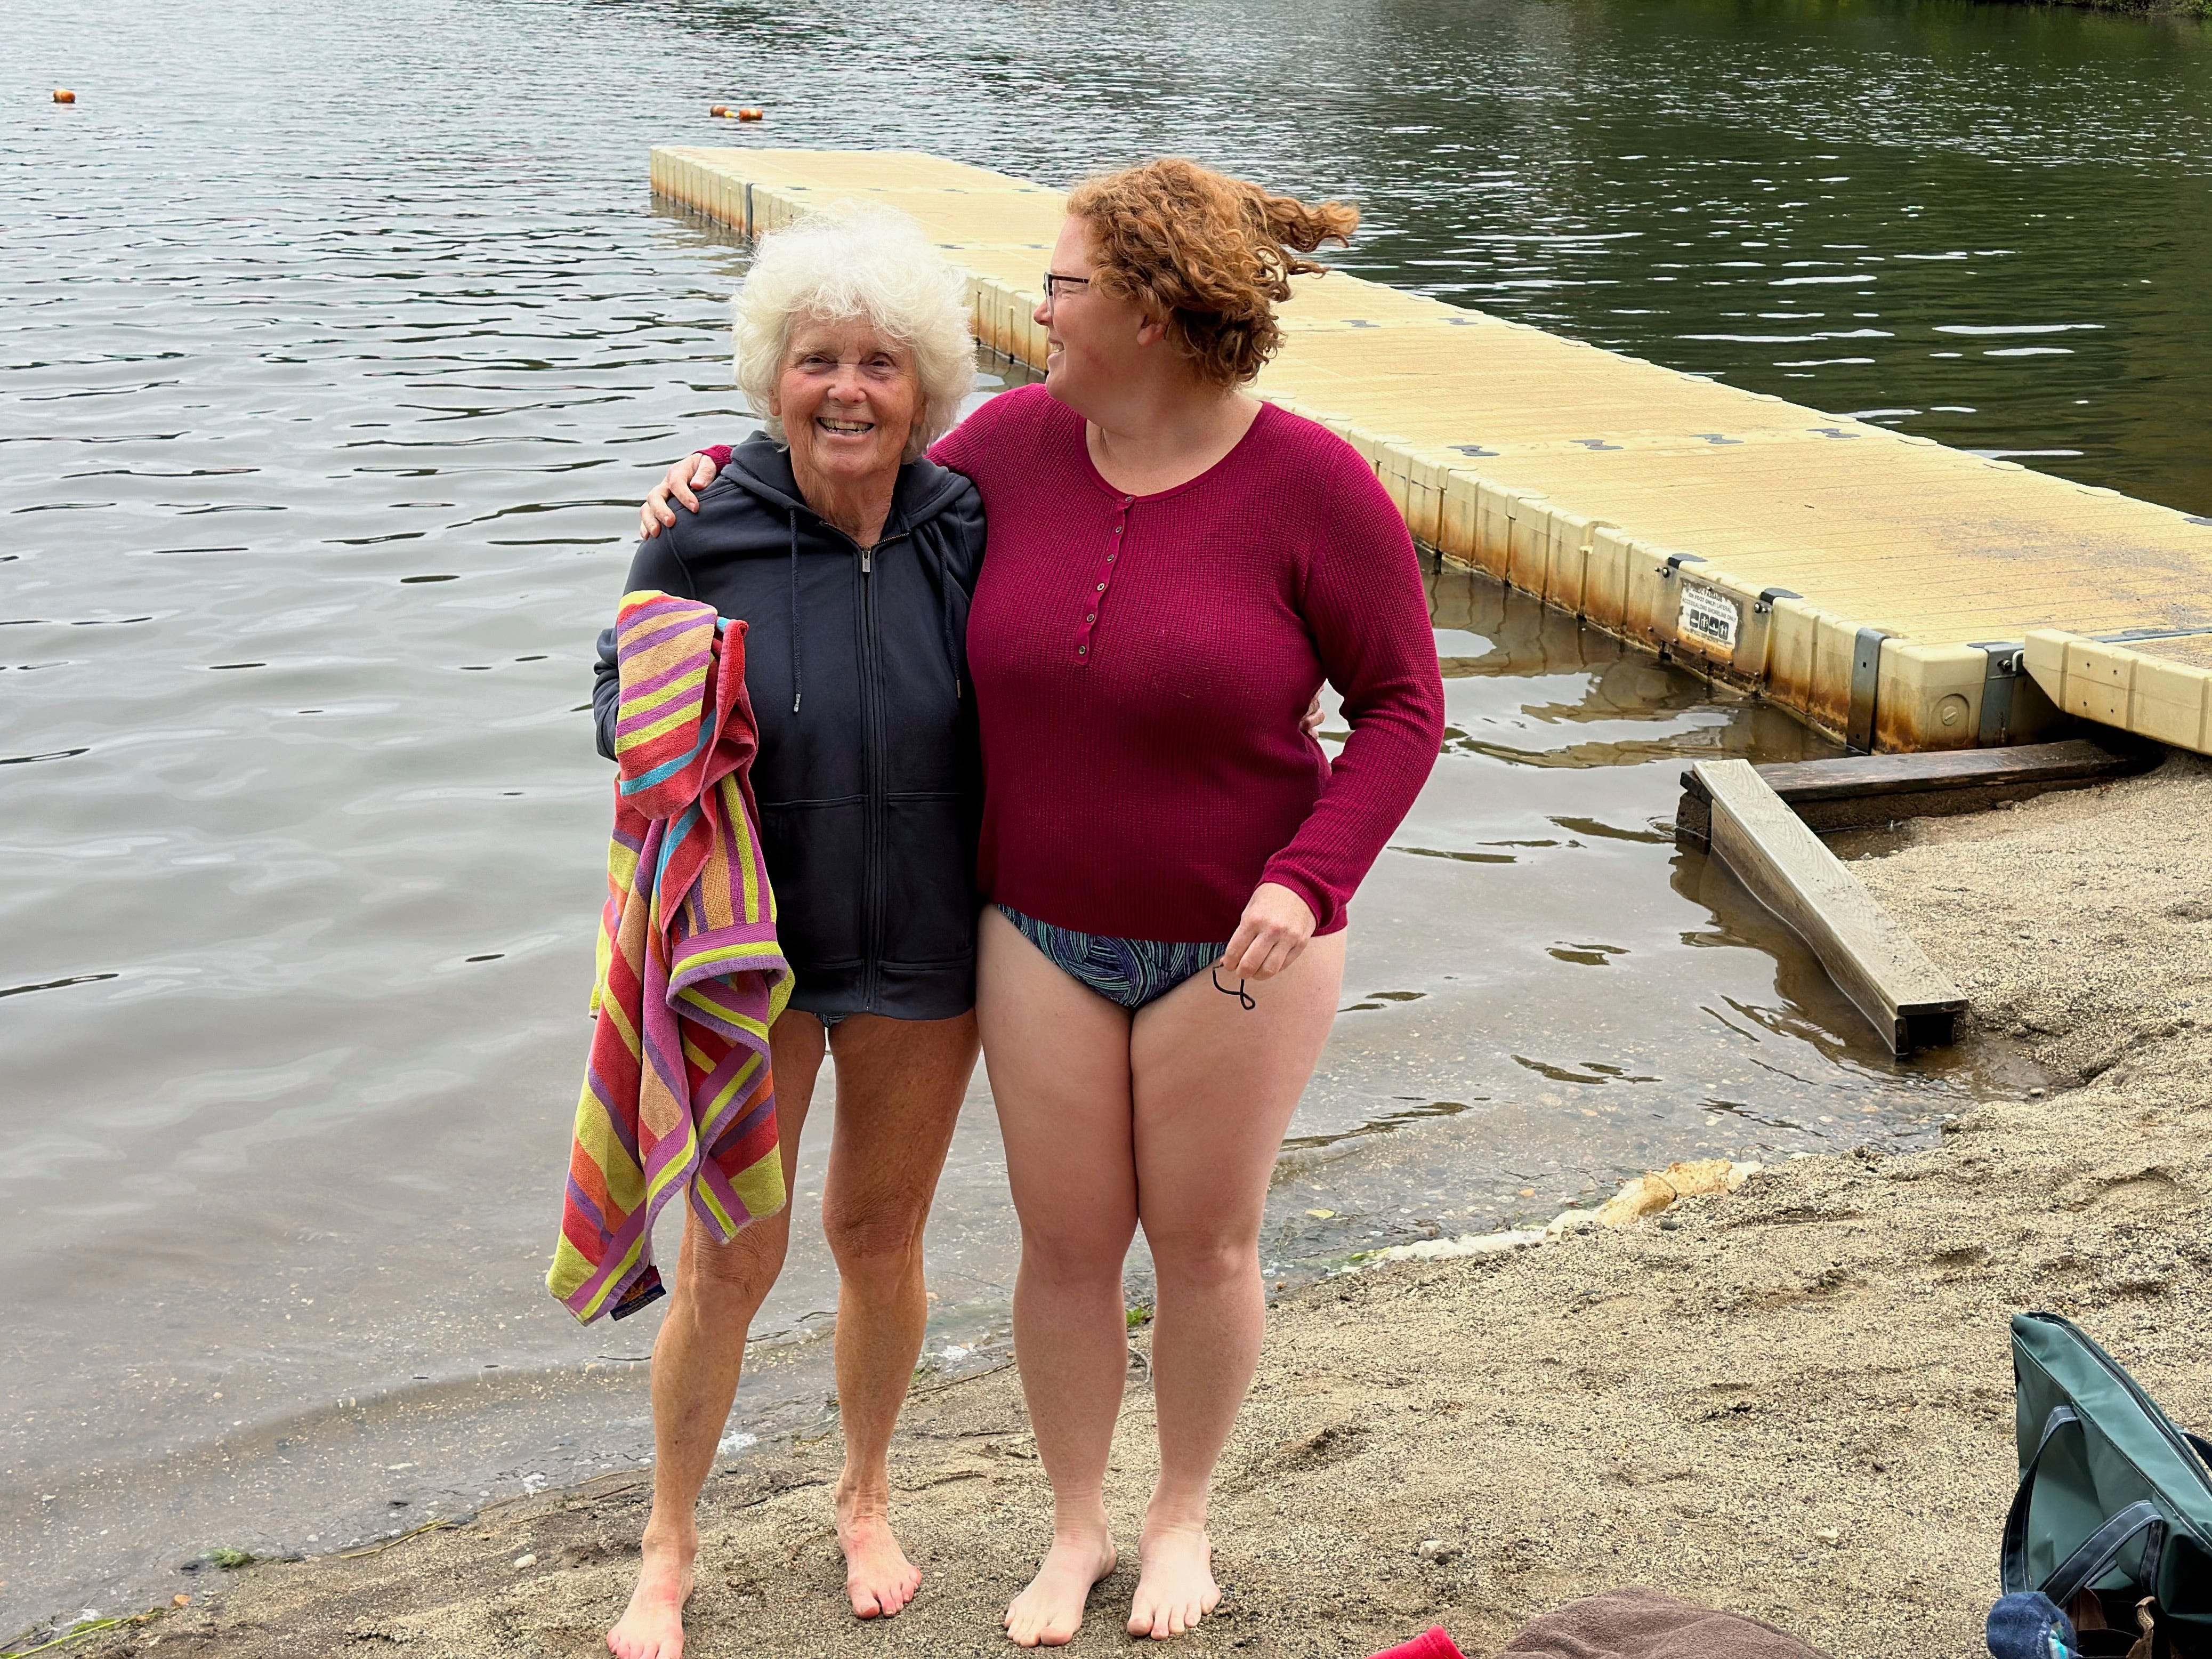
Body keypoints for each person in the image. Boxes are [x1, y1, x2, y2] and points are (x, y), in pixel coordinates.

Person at [641, 157, 1443, 1648]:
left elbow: (1404, 706)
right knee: (1063, 1249)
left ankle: (1179, 1516)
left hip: (1239, 941)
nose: (1042, 308)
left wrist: (1310, 874)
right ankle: (1076, 1529)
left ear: (1151, 309)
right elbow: (829, 458)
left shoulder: (1313, 483)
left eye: (1066, 284)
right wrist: (707, 468)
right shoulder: (1008, 453)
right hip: (1032, 933)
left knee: (1203, 1246)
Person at [593, 204, 987, 1659]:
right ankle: (668, 1539)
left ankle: (866, 1493)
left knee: (878, 1235)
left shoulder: (965, 524)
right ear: (772, 376)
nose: (848, 390)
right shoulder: (704, 527)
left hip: (925, 954)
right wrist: (674, 713)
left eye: (882, 362)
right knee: (729, 1261)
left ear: (925, 389)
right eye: (818, 358)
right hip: (746, 960)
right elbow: (610, 708)